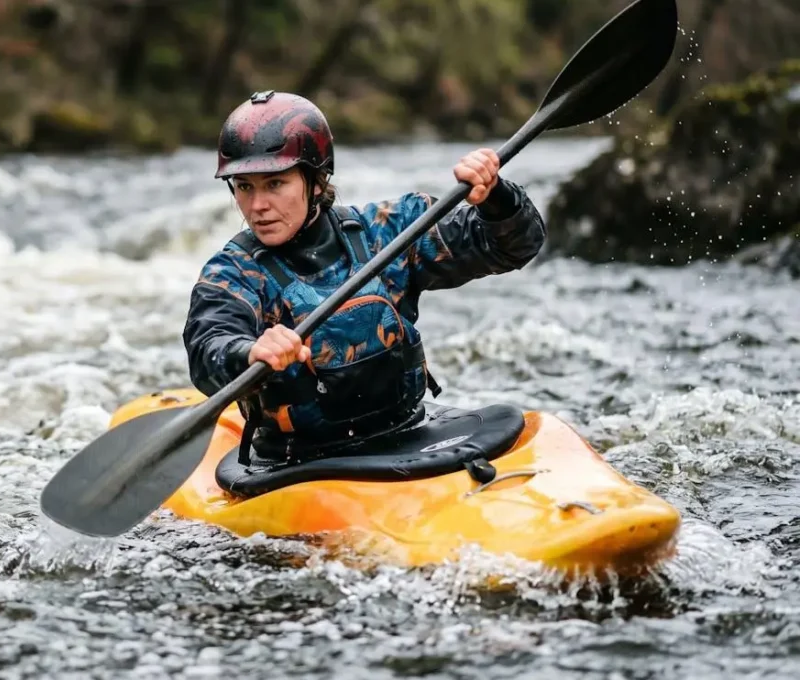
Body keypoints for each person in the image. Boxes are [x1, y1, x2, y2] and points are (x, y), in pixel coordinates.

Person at [182, 90, 546, 465]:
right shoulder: (233, 271)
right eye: (244, 187)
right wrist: (249, 352)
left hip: (408, 432)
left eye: (275, 184)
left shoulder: (389, 231)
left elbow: (516, 247)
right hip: (298, 462)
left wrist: (496, 197)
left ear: (318, 181)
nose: (257, 206)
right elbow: (208, 347)